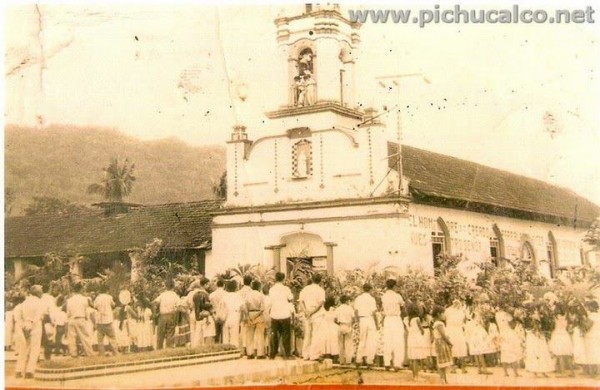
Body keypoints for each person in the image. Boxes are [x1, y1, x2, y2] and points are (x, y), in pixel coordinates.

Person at [15, 285, 45, 379]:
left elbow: (18, 315)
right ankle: (29, 371)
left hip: (24, 324)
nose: (42, 293)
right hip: (35, 325)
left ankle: (19, 371)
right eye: (41, 291)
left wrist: (23, 325)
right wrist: (31, 324)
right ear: (38, 293)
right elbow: (39, 315)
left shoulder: (25, 302)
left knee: (23, 348)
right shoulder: (39, 302)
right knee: (35, 349)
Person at [299, 273, 326, 361]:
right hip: (316, 313)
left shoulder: (305, 289)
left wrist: (306, 311)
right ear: (320, 280)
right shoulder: (320, 290)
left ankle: (305, 354)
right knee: (316, 334)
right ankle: (314, 355)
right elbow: (320, 303)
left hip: (307, 313)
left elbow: (301, 301)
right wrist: (311, 312)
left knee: (307, 334)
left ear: (312, 279)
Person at [381, 279, 405, 371]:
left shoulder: (384, 296)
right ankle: (397, 363)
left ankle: (387, 362)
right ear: (394, 286)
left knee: (387, 341)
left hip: (387, 319)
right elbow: (403, 306)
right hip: (395, 318)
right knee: (398, 341)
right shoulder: (397, 296)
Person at [66, 282, 96, 357]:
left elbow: (68, 312)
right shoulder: (84, 299)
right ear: (80, 289)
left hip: (72, 319)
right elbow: (85, 310)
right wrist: (85, 317)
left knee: (72, 338)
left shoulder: (69, 300)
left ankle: (73, 353)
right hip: (81, 318)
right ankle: (89, 353)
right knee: (85, 336)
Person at [269, 272, 294, 359]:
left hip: (274, 314)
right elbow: (291, 298)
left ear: (275, 278)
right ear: (283, 279)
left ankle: (273, 354)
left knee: (274, 335)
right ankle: (287, 354)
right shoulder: (286, 289)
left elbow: (270, 302)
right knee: (286, 335)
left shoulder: (271, 289)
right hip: (284, 314)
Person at [354, 283, 378, 367]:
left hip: (362, 319)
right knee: (371, 341)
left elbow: (356, 311)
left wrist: (357, 321)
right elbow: (374, 312)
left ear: (363, 289)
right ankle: (369, 360)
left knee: (362, 340)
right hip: (370, 319)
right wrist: (377, 323)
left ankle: (358, 359)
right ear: (370, 289)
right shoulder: (371, 299)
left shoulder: (358, 298)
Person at [153, 279, 180, 349]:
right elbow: (178, 306)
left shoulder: (162, 295)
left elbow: (155, 303)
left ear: (165, 286)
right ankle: (169, 348)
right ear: (173, 286)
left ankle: (159, 349)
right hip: (171, 315)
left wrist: (156, 312)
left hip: (162, 316)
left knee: (160, 334)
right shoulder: (175, 296)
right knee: (170, 333)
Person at [93, 284, 119, 356]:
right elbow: (113, 305)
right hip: (108, 320)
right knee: (112, 337)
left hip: (100, 320)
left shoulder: (97, 298)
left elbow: (95, 307)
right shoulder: (109, 297)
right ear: (107, 290)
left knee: (100, 339)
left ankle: (102, 353)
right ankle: (115, 352)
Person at [549, 303, 574, 377]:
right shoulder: (566, 316)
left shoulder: (556, 317)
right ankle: (572, 372)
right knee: (567, 354)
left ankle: (563, 373)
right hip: (565, 335)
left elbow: (553, 324)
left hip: (558, 335)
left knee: (560, 355)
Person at [432, 305, 453, 385]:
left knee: (443, 364)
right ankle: (442, 379)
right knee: (441, 363)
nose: (444, 315)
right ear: (438, 314)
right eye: (443, 313)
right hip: (441, 344)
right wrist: (449, 342)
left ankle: (444, 379)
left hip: (440, 343)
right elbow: (443, 335)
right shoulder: (439, 324)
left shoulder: (437, 323)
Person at [406, 302, 428, 379]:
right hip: (417, 338)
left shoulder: (407, 319)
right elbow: (422, 330)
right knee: (417, 358)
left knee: (413, 358)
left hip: (411, 338)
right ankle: (417, 376)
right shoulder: (417, 319)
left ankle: (414, 375)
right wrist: (422, 331)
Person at [445, 299, 468, 373]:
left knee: (460, 349)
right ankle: (454, 368)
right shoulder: (449, 311)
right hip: (452, 331)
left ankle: (462, 368)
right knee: (453, 349)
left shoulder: (460, 312)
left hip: (457, 331)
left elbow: (463, 321)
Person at [245, 280, 266, 359]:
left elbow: (245, 307)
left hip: (250, 314)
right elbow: (262, 308)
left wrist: (248, 316)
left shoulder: (248, 295)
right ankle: (260, 353)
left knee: (249, 335)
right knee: (260, 334)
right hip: (259, 315)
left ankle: (250, 353)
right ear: (259, 287)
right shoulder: (260, 295)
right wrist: (256, 315)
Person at [190, 278, 212, 347]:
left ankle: (195, 347)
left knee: (197, 332)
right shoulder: (205, 294)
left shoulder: (194, 294)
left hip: (196, 314)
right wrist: (211, 305)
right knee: (204, 333)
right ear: (205, 284)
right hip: (204, 315)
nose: (209, 286)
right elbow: (206, 305)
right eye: (208, 284)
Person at [335, 295, 355, 365]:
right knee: (348, 343)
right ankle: (348, 361)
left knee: (340, 344)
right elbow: (353, 319)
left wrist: (339, 323)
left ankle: (341, 360)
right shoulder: (350, 308)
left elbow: (335, 319)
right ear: (347, 301)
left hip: (340, 325)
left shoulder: (338, 309)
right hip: (348, 325)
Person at [584, 300, 600, 377]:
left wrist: (583, 320)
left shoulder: (591, 316)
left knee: (590, 354)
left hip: (591, 336)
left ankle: (592, 373)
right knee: (597, 353)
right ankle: (597, 372)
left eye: (589, 306)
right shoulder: (598, 315)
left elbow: (587, 327)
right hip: (598, 336)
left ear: (592, 307)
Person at [322, 296, 340, 362]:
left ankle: (327, 356)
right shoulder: (333, 309)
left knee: (327, 342)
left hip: (325, 326)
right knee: (334, 342)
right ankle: (335, 358)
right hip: (333, 326)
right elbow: (336, 318)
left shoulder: (323, 309)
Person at [239, 275, 253, 354]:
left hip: (241, 313)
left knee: (242, 331)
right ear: (251, 282)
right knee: (249, 332)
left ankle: (243, 349)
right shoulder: (251, 291)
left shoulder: (239, 291)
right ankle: (248, 349)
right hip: (249, 313)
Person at [210, 279, 227, 344]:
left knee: (216, 333)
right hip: (224, 314)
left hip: (215, 314)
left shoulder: (211, 295)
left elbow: (210, 306)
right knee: (224, 333)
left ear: (217, 285)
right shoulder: (226, 294)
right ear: (224, 285)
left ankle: (216, 345)